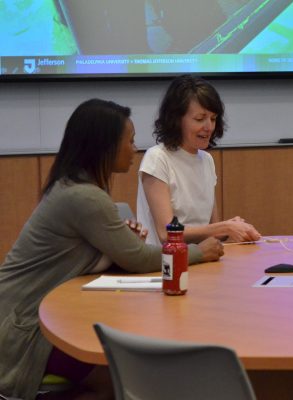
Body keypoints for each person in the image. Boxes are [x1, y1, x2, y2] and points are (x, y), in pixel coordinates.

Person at [0, 99, 224, 399]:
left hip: (28, 320)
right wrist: (200, 252)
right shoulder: (84, 197)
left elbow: (101, 255)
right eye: (128, 141)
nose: (134, 148)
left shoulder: (73, 187)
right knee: (134, 354)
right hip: (27, 336)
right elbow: (139, 258)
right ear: (104, 146)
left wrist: (112, 247)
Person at [137, 74, 261, 246]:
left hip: (200, 259)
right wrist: (223, 227)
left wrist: (233, 227)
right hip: (166, 265)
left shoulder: (207, 160)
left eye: (213, 119)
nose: (209, 127)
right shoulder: (157, 158)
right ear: (176, 119)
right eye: (200, 119)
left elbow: (211, 230)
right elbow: (166, 233)